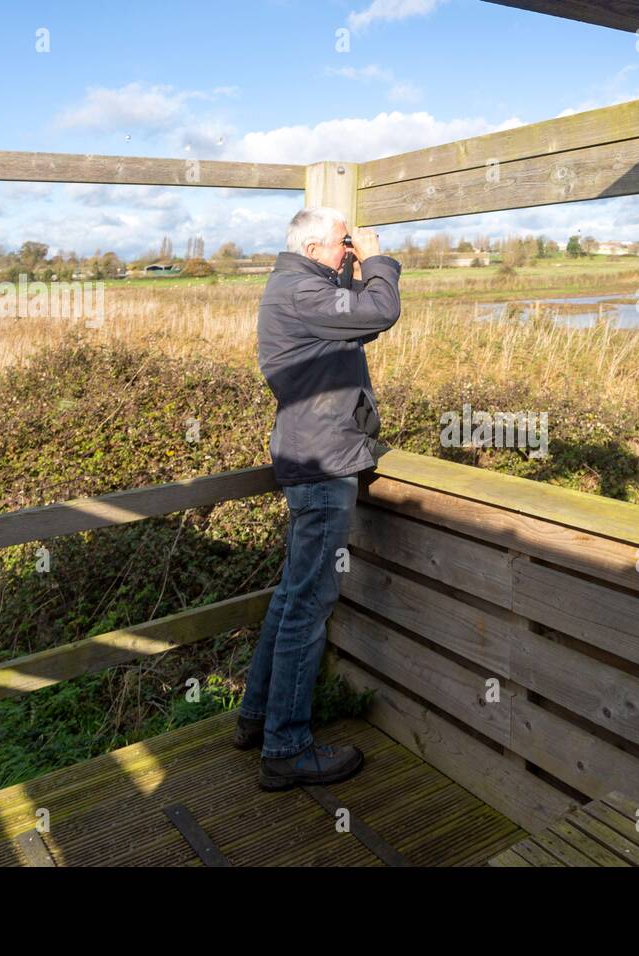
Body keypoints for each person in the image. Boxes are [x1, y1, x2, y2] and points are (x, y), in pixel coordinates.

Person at [236, 206, 401, 791]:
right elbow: (379, 310)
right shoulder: (302, 292)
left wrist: (357, 267)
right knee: (309, 604)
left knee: (290, 597)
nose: (349, 251)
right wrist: (380, 259)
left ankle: (256, 720)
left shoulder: (299, 286)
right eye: (342, 244)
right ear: (312, 248)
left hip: (313, 457)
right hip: (322, 464)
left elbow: (357, 319)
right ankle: (286, 748)